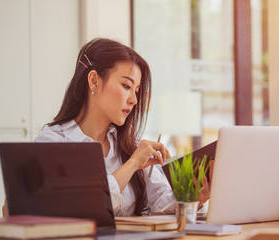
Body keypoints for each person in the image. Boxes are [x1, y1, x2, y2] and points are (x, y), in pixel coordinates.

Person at [34, 38, 211, 217]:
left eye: (136, 90)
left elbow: (160, 203)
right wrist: (132, 164)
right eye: (126, 86)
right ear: (94, 81)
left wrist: (193, 195)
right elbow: (85, 207)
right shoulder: (53, 142)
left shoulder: (129, 144)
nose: (134, 100)